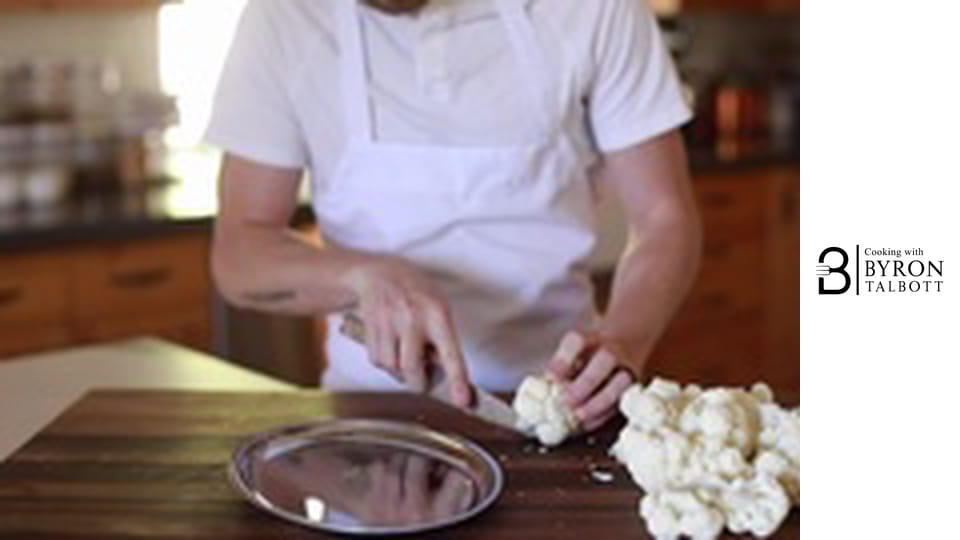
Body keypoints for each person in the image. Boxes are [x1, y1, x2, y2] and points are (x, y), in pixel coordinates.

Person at [207, 0, 702, 434]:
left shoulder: (593, 9)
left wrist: (624, 340)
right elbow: (240, 252)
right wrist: (363, 276)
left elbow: (664, 218)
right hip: (368, 420)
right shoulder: (282, 17)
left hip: (561, 406)